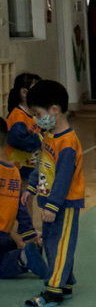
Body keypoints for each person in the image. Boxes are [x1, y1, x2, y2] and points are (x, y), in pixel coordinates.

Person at [20, 80, 85, 307]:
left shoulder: (67, 143)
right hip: (50, 201)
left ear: (54, 110)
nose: (36, 119)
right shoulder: (49, 136)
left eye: (38, 114)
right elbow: (43, 164)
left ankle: (53, 290)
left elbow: (64, 178)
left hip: (64, 204)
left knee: (61, 244)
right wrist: (32, 187)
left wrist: (53, 205)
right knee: (50, 242)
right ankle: (64, 282)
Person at [0, 117, 45, 281]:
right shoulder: (14, 172)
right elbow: (21, 207)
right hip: (6, 237)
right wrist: (29, 234)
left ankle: (23, 258)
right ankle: (26, 251)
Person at [5, 72, 42, 242]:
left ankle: (27, 229)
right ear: (24, 92)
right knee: (23, 199)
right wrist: (37, 139)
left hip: (29, 166)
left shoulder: (33, 114)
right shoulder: (17, 116)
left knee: (28, 198)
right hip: (18, 167)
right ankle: (24, 231)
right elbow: (16, 139)